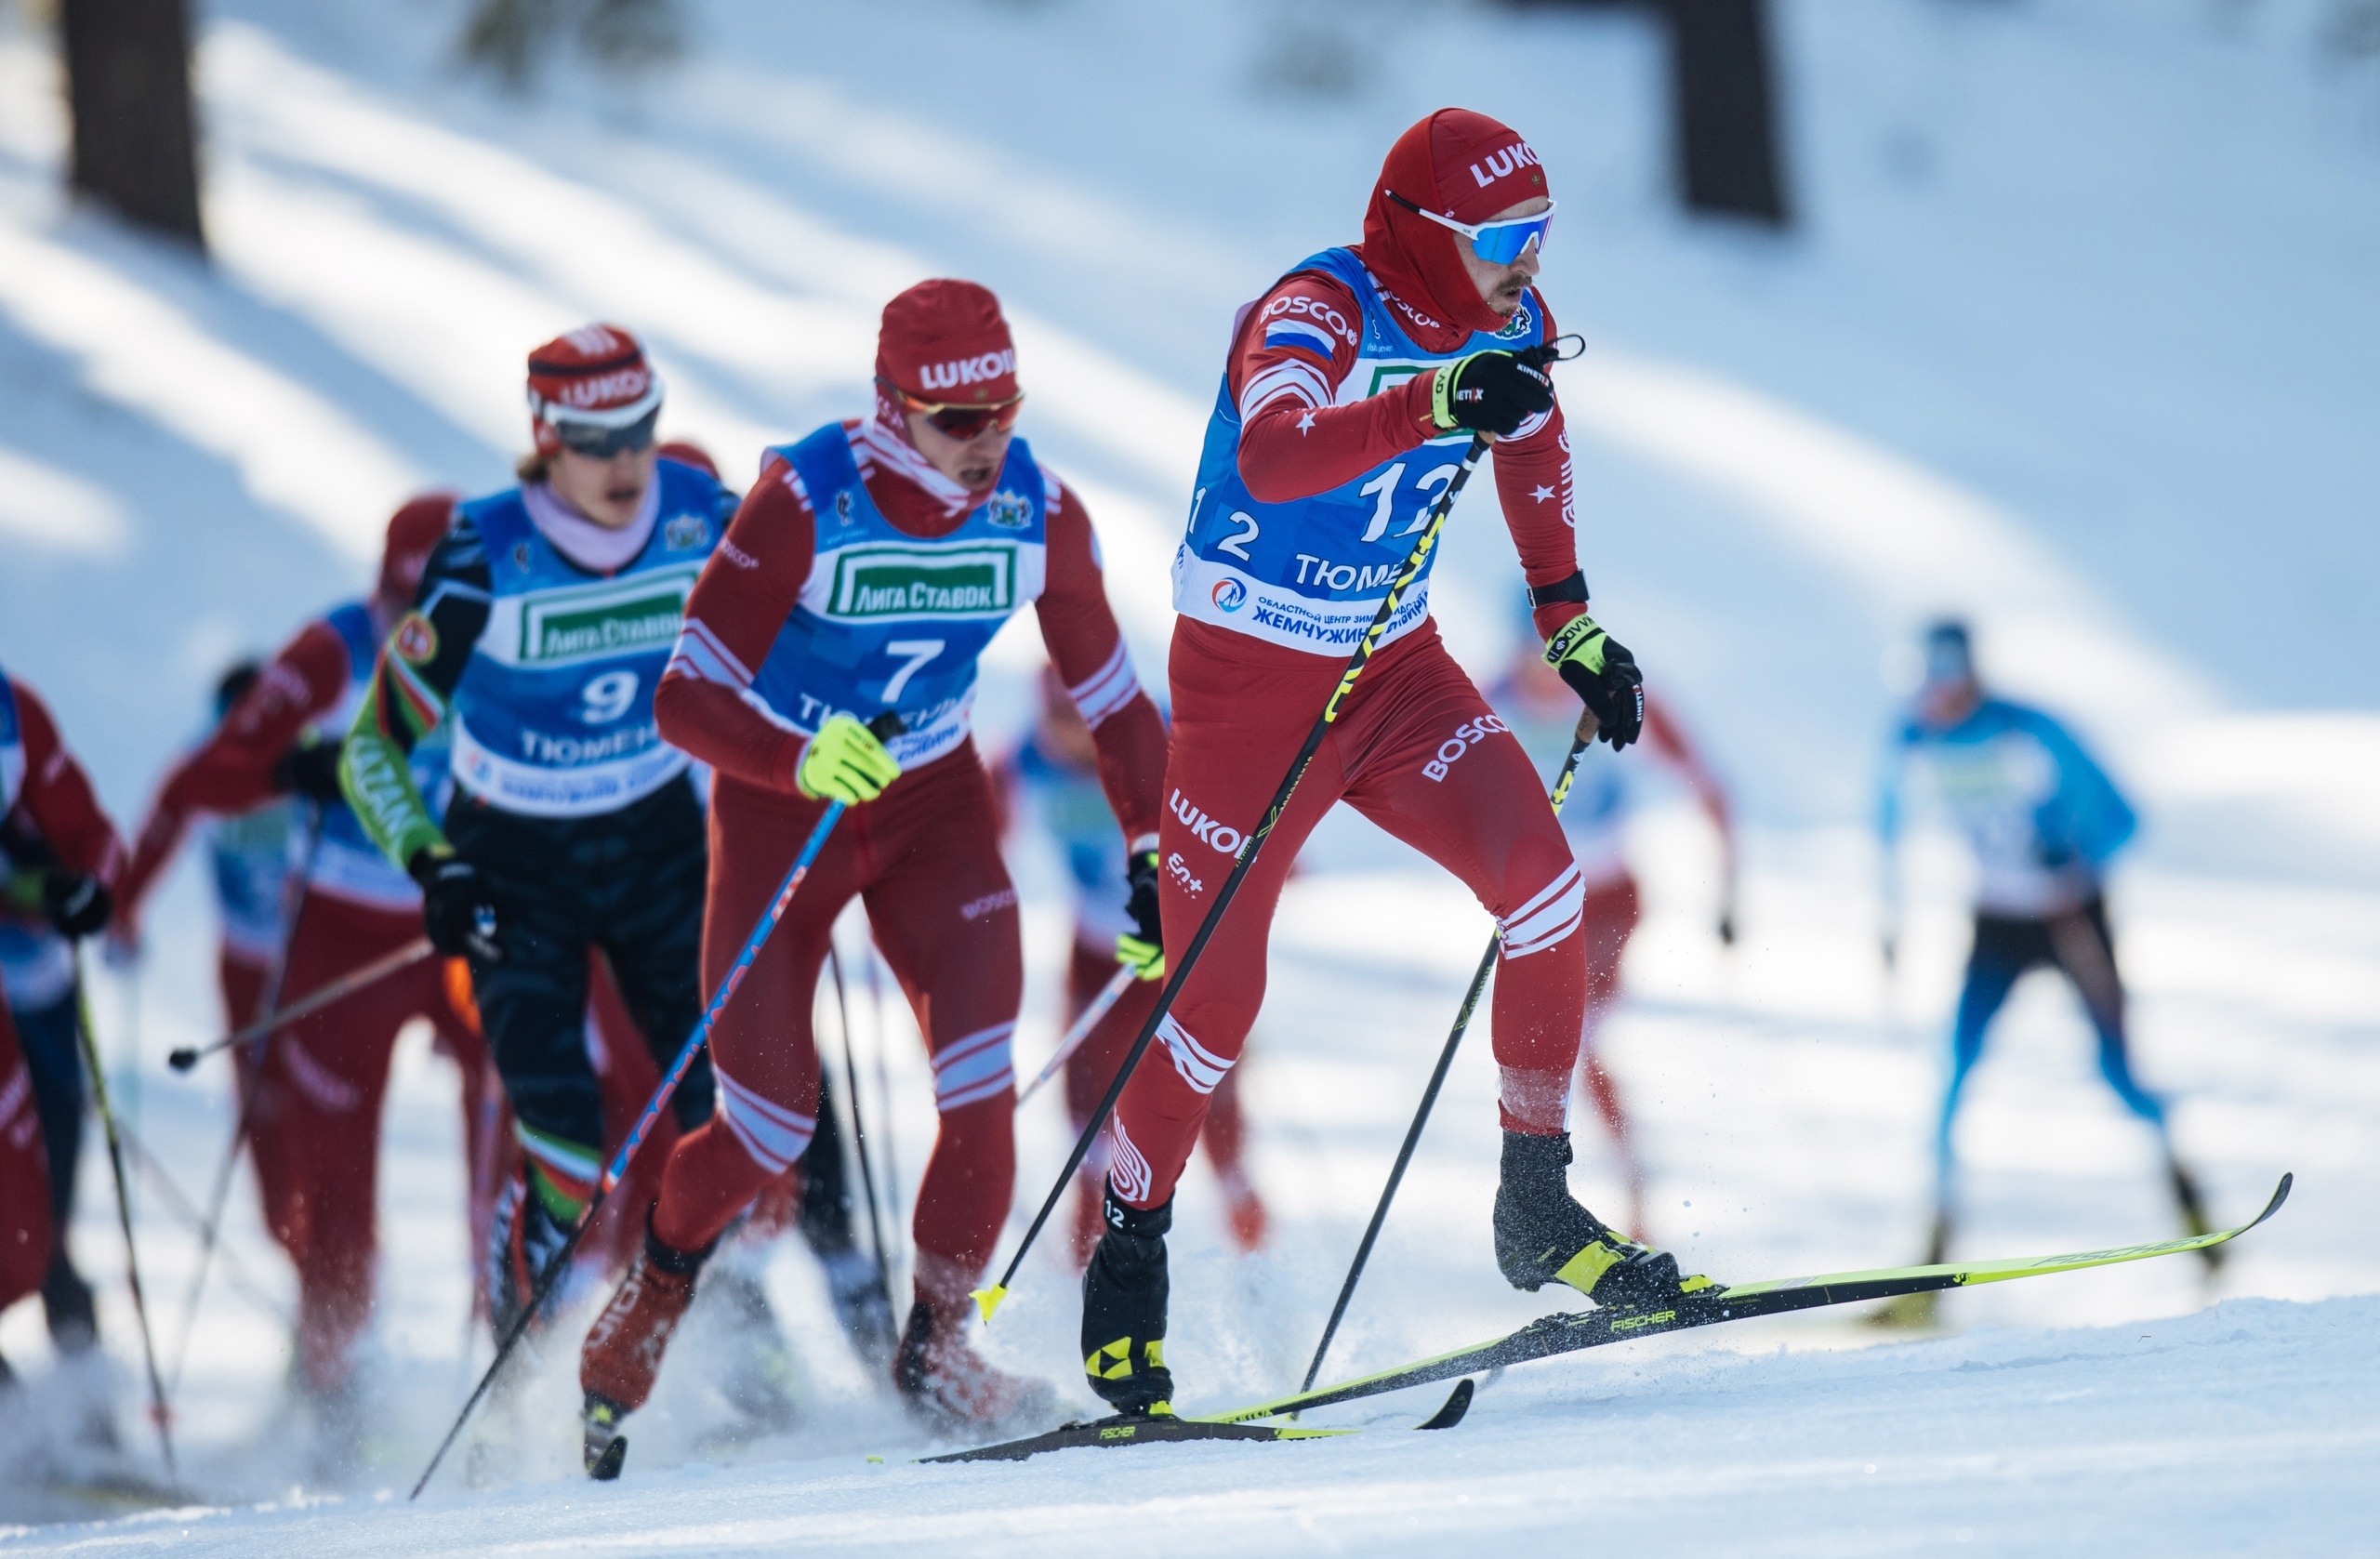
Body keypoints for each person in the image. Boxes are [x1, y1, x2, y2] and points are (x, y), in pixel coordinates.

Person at [1085, 107, 1717, 1419]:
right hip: (1247, 685)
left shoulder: (1512, 321)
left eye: (1542, 236)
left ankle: (1534, 1206)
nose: (1528, 264)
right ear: (1426, 235)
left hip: (1392, 673)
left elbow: (1535, 445)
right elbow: (1273, 456)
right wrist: (1428, 397)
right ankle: (1129, 1255)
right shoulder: (1316, 308)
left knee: (1546, 894)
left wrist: (1569, 620)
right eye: (1503, 239)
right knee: (1210, 1014)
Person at [573, 278, 1168, 1466]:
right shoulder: (803, 496)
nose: (988, 439)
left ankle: (938, 1344)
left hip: (934, 805)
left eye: (1004, 408)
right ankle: (651, 1298)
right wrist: (796, 756)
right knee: (766, 1129)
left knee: (976, 1082)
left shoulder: (1038, 507)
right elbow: (681, 695)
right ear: (891, 410)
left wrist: (1154, 851)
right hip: (782, 810)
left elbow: (1110, 698)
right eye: (958, 420)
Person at [340, 325, 735, 1348]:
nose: (624, 461)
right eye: (596, 438)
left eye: (641, 430)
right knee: (566, 1147)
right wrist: (436, 866)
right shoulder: (484, 553)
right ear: (544, 436)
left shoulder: (704, 519)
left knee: (731, 1115)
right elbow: (370, 752)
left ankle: (707, 1348)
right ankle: (518, 1364)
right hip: (516, 862)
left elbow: (805, 636)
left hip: (656, 841)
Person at [111, 501, 499, 1416]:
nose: (428, 633)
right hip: (339, 931)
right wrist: (295, 767)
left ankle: (516, 1344)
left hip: (456, 924)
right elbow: (207, 775)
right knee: (329, 1178)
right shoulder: (329, 650)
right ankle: (333, 1374)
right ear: (382, 590)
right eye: (409, 606)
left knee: (521, 1120)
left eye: (446, 607)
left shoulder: (504, 630)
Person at [1877, 619, 2215, 1316]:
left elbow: (2123, 818)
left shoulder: (2031, 731)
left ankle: (2188, 1200)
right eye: (1922, 688)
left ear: (1969, 676)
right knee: (1954, 1069)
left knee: (2118, 1070)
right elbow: (1884, 823)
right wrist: (1891, 918)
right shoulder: (1910, 740)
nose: (1934, 702)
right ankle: (1933, 1256)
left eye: (1944, 685)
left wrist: (2075, 854)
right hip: (1996, 921)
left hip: (2069, 915)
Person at [998, 667, 1267, 1264]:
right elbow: (977, 840)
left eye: (1082, 722)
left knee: (1208, 1088)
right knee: (1089, 1103)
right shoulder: (1025, 763)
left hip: (1183, 944)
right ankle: (1087, 1254)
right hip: (1099, 950)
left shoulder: (1162, 738)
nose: (1072, 738)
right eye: (1059, 722)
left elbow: (1243, 807)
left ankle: (1249, 1233)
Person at [1491, 643, 1735, 1242]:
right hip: (1537, 904)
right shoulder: (1492, 697)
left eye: (1555, 661)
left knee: (1576, 1038)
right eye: (1532, 658)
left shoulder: (1609, 692)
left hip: (1607, 901)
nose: (1545, 675)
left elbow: (1706, 785)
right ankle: (1555, 1204)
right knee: (1540, 1049)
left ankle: (1628, 1208)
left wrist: (1729, 891)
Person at [0, 664, 126, 1369]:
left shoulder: (14, 713)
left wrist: (89, 889)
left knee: (43, 1221)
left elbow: (93, 834)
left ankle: (84, 1409)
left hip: (39, 990)